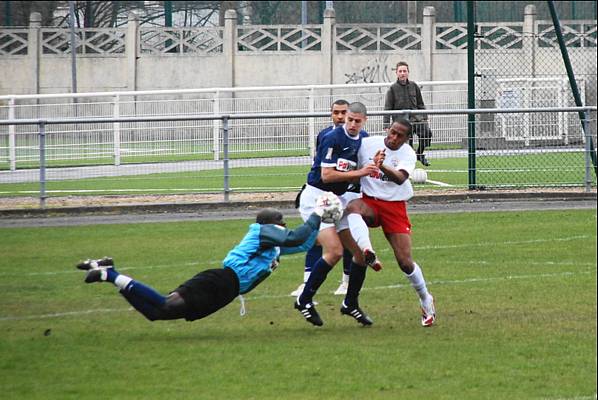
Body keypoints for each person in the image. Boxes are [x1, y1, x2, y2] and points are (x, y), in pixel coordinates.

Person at [75, 203, 342, 323]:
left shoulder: (272, 247)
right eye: (281, 223)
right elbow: (296, 236)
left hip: (226, 291)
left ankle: (110, 271)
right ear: (270, 225)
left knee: (156, 314)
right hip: (221, 280)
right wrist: (317, 212)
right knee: (164, 305)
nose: (284, 227)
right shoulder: (259, 231)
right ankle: (108, 275)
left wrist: (331, 221)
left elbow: (304, 242)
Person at [294, 101, 384, 327]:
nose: (352, 124)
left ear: (365, 120)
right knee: (333, 251)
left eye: (356, 120)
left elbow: (365, 166)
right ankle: (304, 299)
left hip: (339, 200)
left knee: (360, 256)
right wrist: (360, 172)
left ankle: (350, 303)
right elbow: (326, 175)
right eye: (349, 119)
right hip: (318, 197)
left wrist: (376, 165)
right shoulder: (332, 138)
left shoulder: (364, 139)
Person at [344, 119, 436, 327]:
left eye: (399, 136)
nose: (393, 138)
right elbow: (352, 166)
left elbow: (400, 178)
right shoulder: (368, 143)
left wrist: (381, 165)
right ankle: (368, 251)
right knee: (352, 208)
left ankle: (426, 299)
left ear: (407, 139)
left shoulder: (407, 154)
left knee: (405, 262)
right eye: (392, 132)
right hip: (370, 202)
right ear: (388, 129)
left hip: (394, 207)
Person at [290, 99, 361, 297]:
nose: (340, 117)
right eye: (336, 112)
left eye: (344, 113)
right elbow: (322, 170)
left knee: (346, 238)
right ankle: (306, 283)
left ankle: (346, 282)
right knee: (316, 237)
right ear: (331, 114)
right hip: (321, 195)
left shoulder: (361, 137)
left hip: (346, 194)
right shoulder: (325, 135)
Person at [384, 61, 432, 167]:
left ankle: (419, 153)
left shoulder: (414, 86)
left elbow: (420, 103)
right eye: (400, 71)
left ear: (408, 72)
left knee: (427, 133)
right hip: (401, 122)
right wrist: (386, 125)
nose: (402, 73)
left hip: (417, 119)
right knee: (407, 144)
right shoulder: (392, 89)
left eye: (404, 71)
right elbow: (387, 108)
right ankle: (408, 164)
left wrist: (425, 117)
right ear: (396, 73)